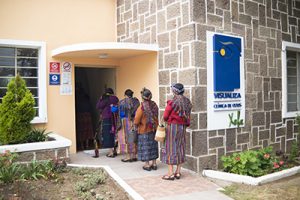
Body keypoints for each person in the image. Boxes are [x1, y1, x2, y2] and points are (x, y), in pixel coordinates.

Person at [161, 83, 192, 180]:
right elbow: (188, 116)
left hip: (172, 127)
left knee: (171, 148)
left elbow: (165, 116)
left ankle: (170, 173)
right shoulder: (187, 102)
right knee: (180, 147)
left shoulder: (172, 102)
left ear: (174, 91)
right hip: (182, 127)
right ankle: (178, 172)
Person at [134, 88, 159, 171]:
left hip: (144, 130)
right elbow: (156, 115)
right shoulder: (154, 105)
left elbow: (137, 119)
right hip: (154, 129)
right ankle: (154, 164)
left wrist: (135, 125)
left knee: (146, 147)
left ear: (142, 97)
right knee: (153, 147)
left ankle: (147, 165)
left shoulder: (141, 107)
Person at [118, 89, 140, 162]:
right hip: (135, 121)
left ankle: (128, 156)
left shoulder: (122, 102)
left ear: (125, 95)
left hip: (126, 121)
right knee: (134, 138)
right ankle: (134, 156)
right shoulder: (137, 101)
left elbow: (121, 114)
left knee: (127, 138)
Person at [96, 88, 119, 157]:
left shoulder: (105, 99)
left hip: (107, 118)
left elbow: (98, 106)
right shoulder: (115, 99)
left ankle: (111, 152)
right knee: (114, 134)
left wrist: (101, 99)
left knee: (108, 135)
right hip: (115, 118)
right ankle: (115, 150)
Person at [75, 85, 94, 150]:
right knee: (87, 131)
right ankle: (87, 145)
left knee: (81, 131)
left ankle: (82, 145)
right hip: (87, 115)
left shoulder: (77, 97)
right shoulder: (86, 97)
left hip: (81, 115)